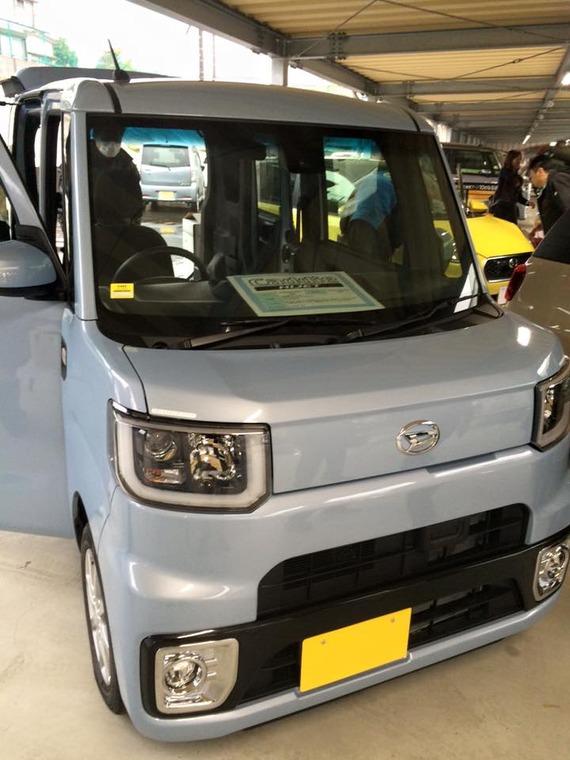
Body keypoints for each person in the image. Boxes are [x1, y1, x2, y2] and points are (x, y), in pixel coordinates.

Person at [89, 123, 143, 223]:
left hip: (121, 225)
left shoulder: (127, 164)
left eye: (116, 141)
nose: (111, 146)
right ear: (96, 140)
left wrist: (131, 222)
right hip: (88, 223)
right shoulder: (80, 160)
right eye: (106, 142)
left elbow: (136, 202)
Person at [527, 151, 570, 235]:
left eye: (531, 177)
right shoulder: (549, 185)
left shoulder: (557, 179)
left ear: (540, 171)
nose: (531, 181)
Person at [490, 150, 533, 224]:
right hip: (502, 208)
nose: (519, 162)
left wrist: (527, 202)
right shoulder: (505, 172)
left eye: (520, 160)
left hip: (511, 209)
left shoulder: (516, 175)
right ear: (511, 159)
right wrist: (521, 172)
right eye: (518, 159)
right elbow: (509, 185)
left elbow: (518, 196)